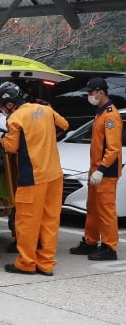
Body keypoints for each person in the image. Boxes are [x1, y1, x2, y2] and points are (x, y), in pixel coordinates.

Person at [0, 81, 69, 276]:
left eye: (2, 107)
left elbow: (10, 147)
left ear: (9, 104)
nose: (2, 110)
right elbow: (64, 125)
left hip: (33, 177)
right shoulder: (45, 109)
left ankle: (26, 263)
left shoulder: (16, 118)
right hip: (54, 174)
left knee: (27, 222)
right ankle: (45, 264)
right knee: (50, 221)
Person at [69, 77, 122, 261]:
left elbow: (113, 148)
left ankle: (109, 247)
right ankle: (91, 241)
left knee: (106, 210)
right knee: (92, 208)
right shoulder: (100, 113)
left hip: (105, 172)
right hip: (96, 170)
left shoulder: (110, 115)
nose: (89, 96)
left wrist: (101, 169)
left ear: (101, 92)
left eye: (91, 92)